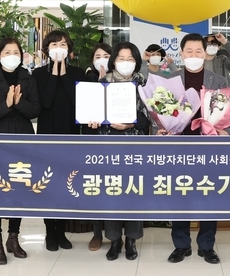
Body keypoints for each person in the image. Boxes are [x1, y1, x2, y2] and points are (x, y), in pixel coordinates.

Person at [164, 33, 229, 265]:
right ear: (181, 54)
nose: (194, 55)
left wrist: (224, 132)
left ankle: (206, 245)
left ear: (205, 53)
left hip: (208, 147)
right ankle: (181, 245)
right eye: (189, 51)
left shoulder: (218, 81)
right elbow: (158, 110)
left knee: (208, 194)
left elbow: (228, 114)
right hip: (178, 146)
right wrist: (161, 128)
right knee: (179, 196)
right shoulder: (170, 80)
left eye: (198, 51)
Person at [0, 37, 40, 264]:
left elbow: (35, 110)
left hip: (23, 141)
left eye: (16, 52)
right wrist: (6, 104)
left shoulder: (28, 80)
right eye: (7, 52)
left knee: (18, 188)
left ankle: (13, 238)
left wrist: (18, 103)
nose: (12, 56)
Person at [87, 42, 150, 261]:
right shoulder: (102, 83)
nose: (125, 63)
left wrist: (132, 124)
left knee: (134, 192)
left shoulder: (143, 83)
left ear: (137, 62)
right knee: (112, 192)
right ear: (113, 61)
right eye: (121, 58)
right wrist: (93, 120)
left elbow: (150, 117)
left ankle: (132, 239)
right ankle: (114, 240)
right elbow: (93, 114)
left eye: (130, 59)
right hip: (109, 146)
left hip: (135, 147)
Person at [32, 30, 86, 251]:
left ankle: (61, 231)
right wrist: (54, 74)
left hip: (70, 136)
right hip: (47, 136)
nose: (59, 48)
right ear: (47, 49)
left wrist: (63, 75)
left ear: (69, 49)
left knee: (66, 184)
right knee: (48, 184)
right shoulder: (38, 74)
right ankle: (49, 232)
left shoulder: (77, 73)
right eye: (54, 44)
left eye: (63, 44)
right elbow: (44, 103)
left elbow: (78, 102)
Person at [83, 42, 112, 251]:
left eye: (106, 56)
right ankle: (96, 233)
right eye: (98, 56)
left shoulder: (122, 79)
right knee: (95, 186)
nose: (102, 60)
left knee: (115, 185)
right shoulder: (87, 80)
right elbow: (83, 109)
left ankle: (116, 233)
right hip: (94, 138)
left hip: (118, 138)